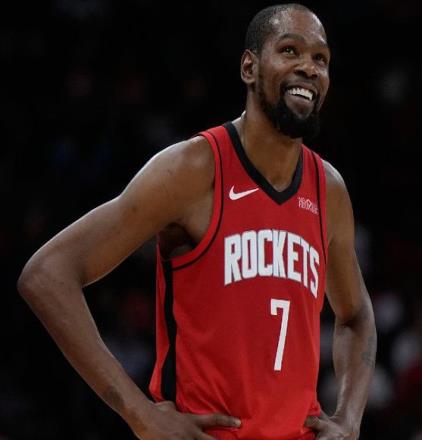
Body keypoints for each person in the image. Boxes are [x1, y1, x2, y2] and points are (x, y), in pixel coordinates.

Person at [18, 3, 376, 439]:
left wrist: (349, 420)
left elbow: (356, 315)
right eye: (290, 50)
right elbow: (47, 274)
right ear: (249, 67)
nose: (309, 67)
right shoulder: (193, 169)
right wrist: (140, 415)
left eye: (321, 58)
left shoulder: (328, 190)